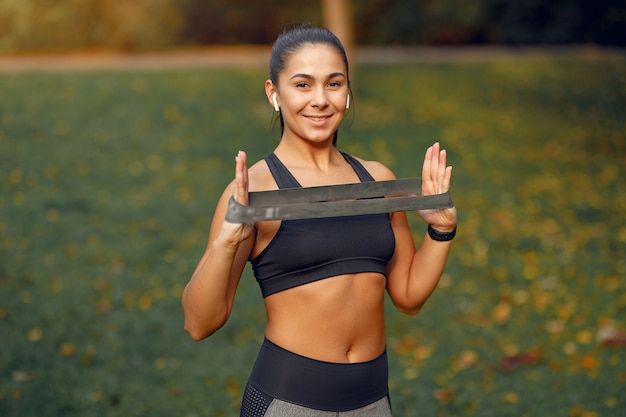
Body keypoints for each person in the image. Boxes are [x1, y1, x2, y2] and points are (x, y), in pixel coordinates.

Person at [182, 24, 457, 417]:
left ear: (347, 90)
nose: (320, 100)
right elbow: (199, 322)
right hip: (288, 403)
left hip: (373, 403)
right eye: (302, 84)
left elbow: (408, 298)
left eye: (334, 83)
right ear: (274, 94)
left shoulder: (378, 181)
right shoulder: (254, 190)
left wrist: (441, 230)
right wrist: (223, 246)